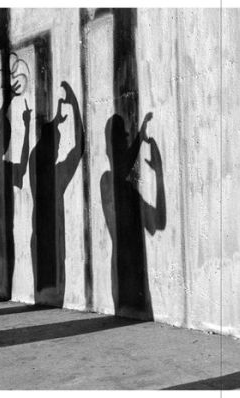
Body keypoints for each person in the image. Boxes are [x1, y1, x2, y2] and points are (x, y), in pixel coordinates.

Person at [101, 111, 166, 318]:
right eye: (123, 137)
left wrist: (159, 177)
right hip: (125, 271)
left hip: (132, 270)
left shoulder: (119, 187)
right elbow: (158, 223)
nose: (126, 141)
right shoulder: (108, 181)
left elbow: (157, 224)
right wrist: (140, 136)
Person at [29, 81, 84, 306]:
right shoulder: (57, 174)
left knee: (42, 292)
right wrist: (74, 106)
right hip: (51, 234)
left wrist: (57, 121)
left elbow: (44, 140)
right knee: (54, 296)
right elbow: (79, 146)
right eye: (58, 145)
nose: (60, 149)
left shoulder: (35, 163)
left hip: (38, 232)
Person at [0, 80, 31, 300]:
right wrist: (9, 101)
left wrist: (28, 129)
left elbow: (21, 166)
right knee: (0, 266)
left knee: (0, 268)